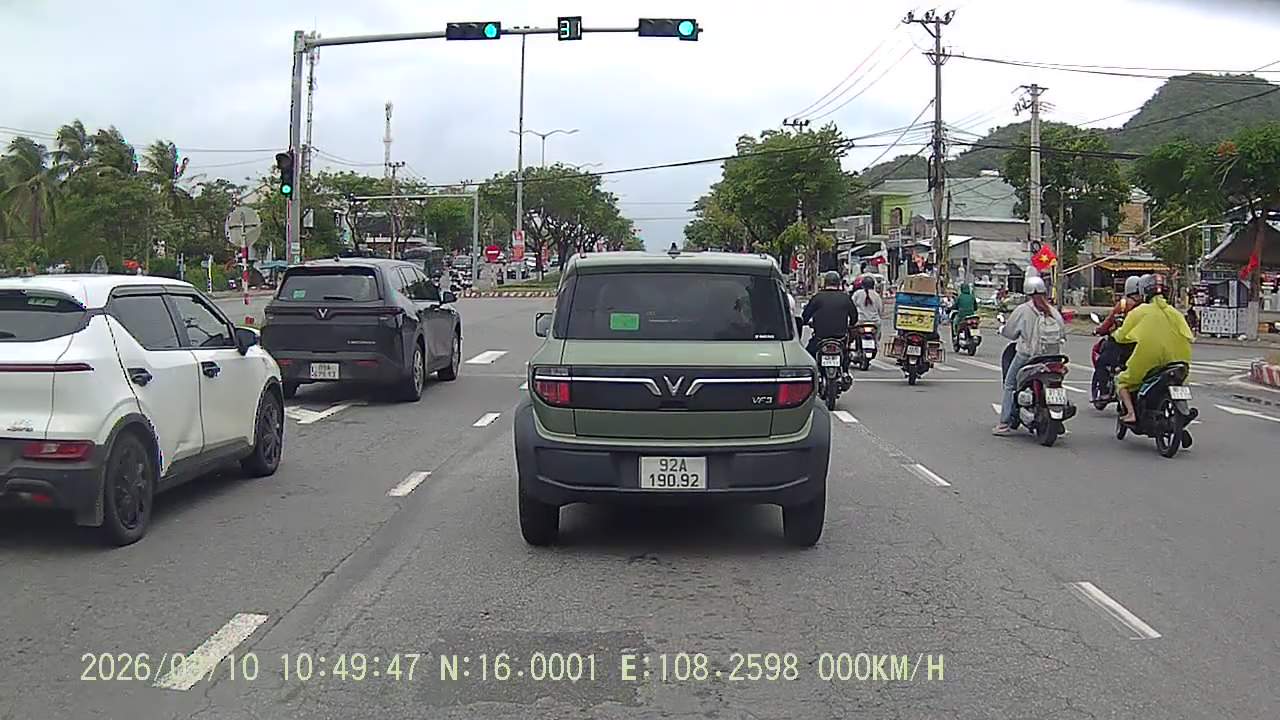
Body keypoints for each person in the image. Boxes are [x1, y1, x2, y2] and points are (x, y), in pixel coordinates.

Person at [1113, 273, 1194, 424]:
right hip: (1179, 359)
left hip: (1149, 360)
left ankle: (1131, 414)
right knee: (1180, 382)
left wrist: (1116, 335)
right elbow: (1189, 336)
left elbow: (1121, 335)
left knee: (1122, 382)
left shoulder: (1139, 311)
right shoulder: (1175, 313)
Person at [993, 275, 1066, 436]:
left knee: (1010, 385)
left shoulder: (1023, 310)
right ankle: (1057, 419)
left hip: (1028, 356)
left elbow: (1011, 333)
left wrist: (1002, 329)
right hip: (1054, 357)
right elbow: (1062, 334)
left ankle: (1004, 424)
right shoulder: (1053, 311)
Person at [1091, 275, 1144, 396]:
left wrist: (1099, 330)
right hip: (1140, 343)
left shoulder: (1124, 304)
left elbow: (1109, 321)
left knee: (1102, 362)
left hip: (1120, 342)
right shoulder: (1146, 305)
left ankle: (1103, 391)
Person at [801, 271, 859, 361]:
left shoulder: (817, 297)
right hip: (840, 337)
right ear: (838, 283)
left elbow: (805, 315)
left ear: (825, 283)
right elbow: (854, 316)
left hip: (821, 337)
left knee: (808, 356)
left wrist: (805, 322)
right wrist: (850, 325)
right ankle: (844, 367)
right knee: (846, 354)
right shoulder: (845, 298)